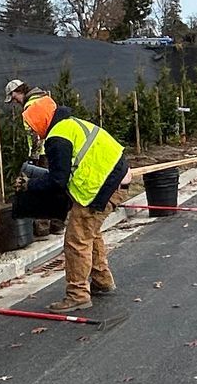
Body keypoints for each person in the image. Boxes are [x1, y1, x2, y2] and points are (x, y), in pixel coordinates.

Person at [18, 93, 128, 312]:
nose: (32, 130)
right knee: (90, 233)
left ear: (40, 120)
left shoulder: (57, 137)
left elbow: (58, 179)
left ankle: (77, 295)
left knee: (76, 240)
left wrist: (30, 185)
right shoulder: (70, 125)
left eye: (31, 125)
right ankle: (102, 281)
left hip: (101, 187)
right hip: (115, 179)